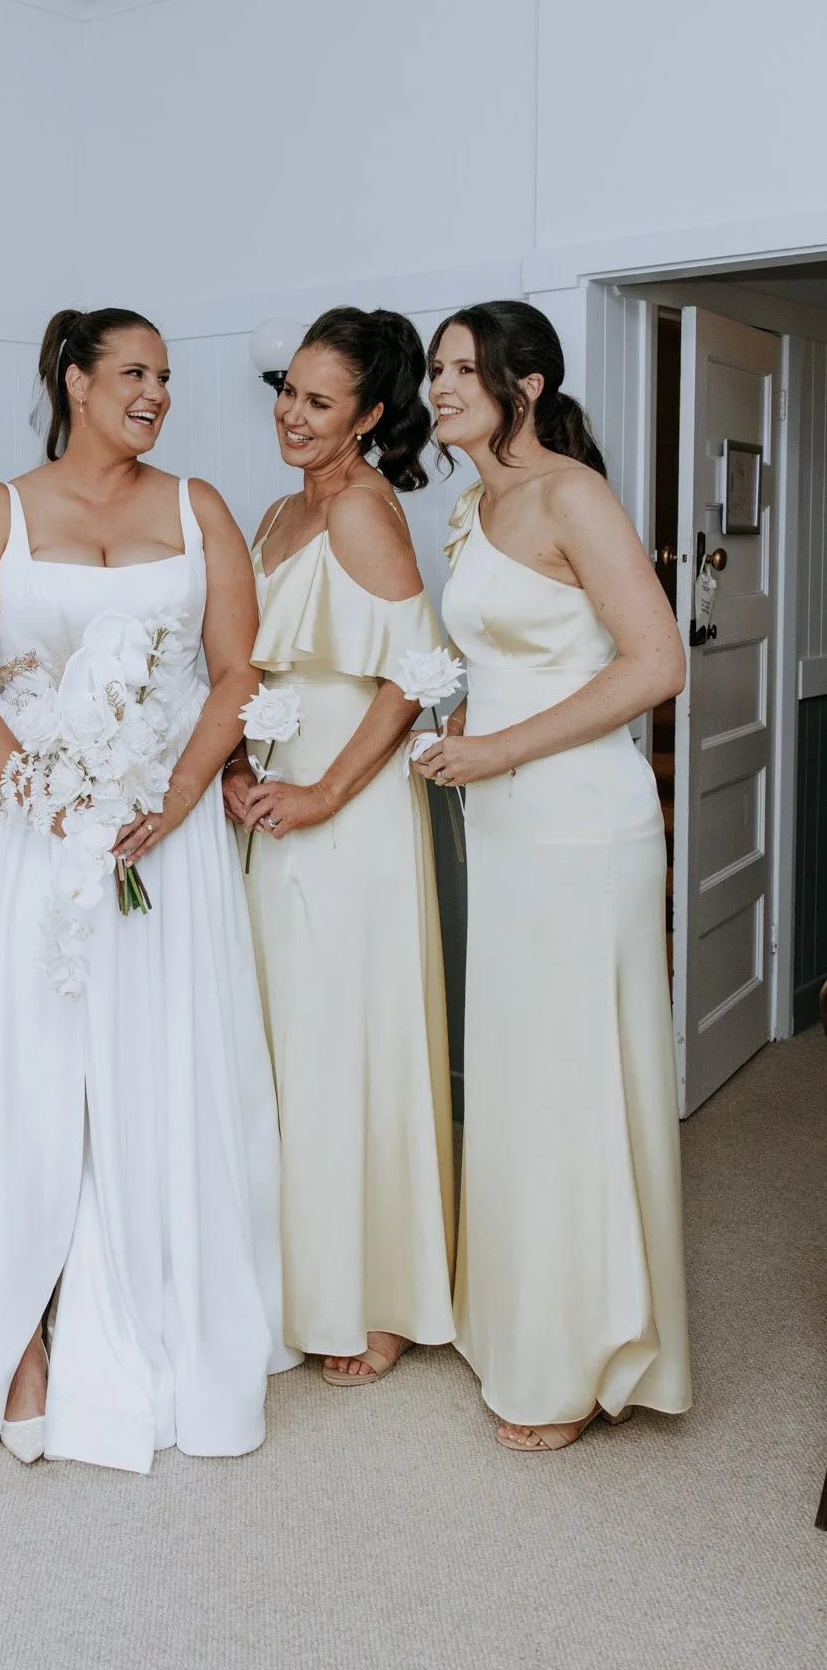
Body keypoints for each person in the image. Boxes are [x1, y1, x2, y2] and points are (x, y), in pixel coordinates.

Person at [0, 307, 297, 1472]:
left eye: (166, 376)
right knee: (34, 1072)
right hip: (35, 835)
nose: (156, 393)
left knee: (158, 1062)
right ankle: (22, 1327)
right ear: (75, 381)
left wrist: (176, 794)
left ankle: (161, 1309)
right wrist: (37, 787)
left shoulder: (198, 507)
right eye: (134, 371)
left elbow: (237, 670)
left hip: (160, 838)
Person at [415, 300, 691, 1451]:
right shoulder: (477, 503)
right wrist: (467, 725)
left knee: (573, 1076)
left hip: (581, 822)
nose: (439, 386)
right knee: (520, 1071)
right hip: (506, 821)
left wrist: (500, 748)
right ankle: (522, 1325)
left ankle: (584, 1354)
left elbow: (658, 663)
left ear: (523, 385)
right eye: (434, 368)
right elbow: (515, 653)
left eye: (462, 369)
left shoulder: (572, 492)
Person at [226, 308, 456, 1385]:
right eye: (288, 391)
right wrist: (237, 767)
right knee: (287, 1039)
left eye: (320, 402)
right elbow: (247, 666)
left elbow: (418, 676)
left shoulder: (364, 510)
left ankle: (381, 1294)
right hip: (274, 802)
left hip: (347, 809)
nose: (292, 414)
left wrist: (322, 791)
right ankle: (296, 1275)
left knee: (348, 1035)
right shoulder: (280, 509)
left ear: (367, 417)